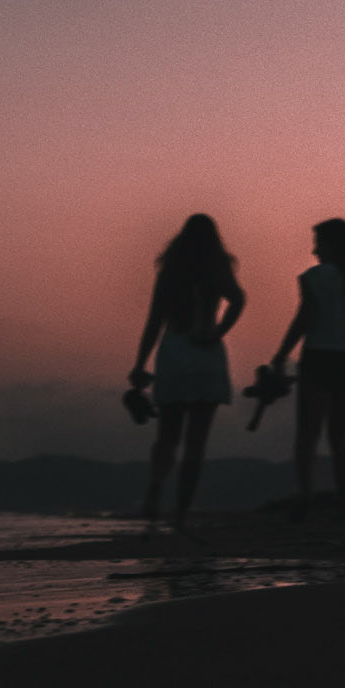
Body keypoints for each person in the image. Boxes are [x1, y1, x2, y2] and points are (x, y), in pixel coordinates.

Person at [130, 214, 245, 527]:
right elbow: (238, 300)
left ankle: (156, 488)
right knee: (196, 444)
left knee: (167, 436)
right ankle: (180, 514)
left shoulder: (171, 271)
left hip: (175, 353)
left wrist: (140, 363)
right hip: (206, 355)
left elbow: (154, 320)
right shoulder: (218, 269)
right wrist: (219, 330)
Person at [270, 218, 345, 519]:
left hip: (319, 358)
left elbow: (304, 319)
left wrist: (281, 354)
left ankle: (306, 498)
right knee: (339, 435)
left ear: (332, 245)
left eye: (318, 244)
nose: (314, 251)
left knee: (307, 434)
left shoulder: (316, 277)